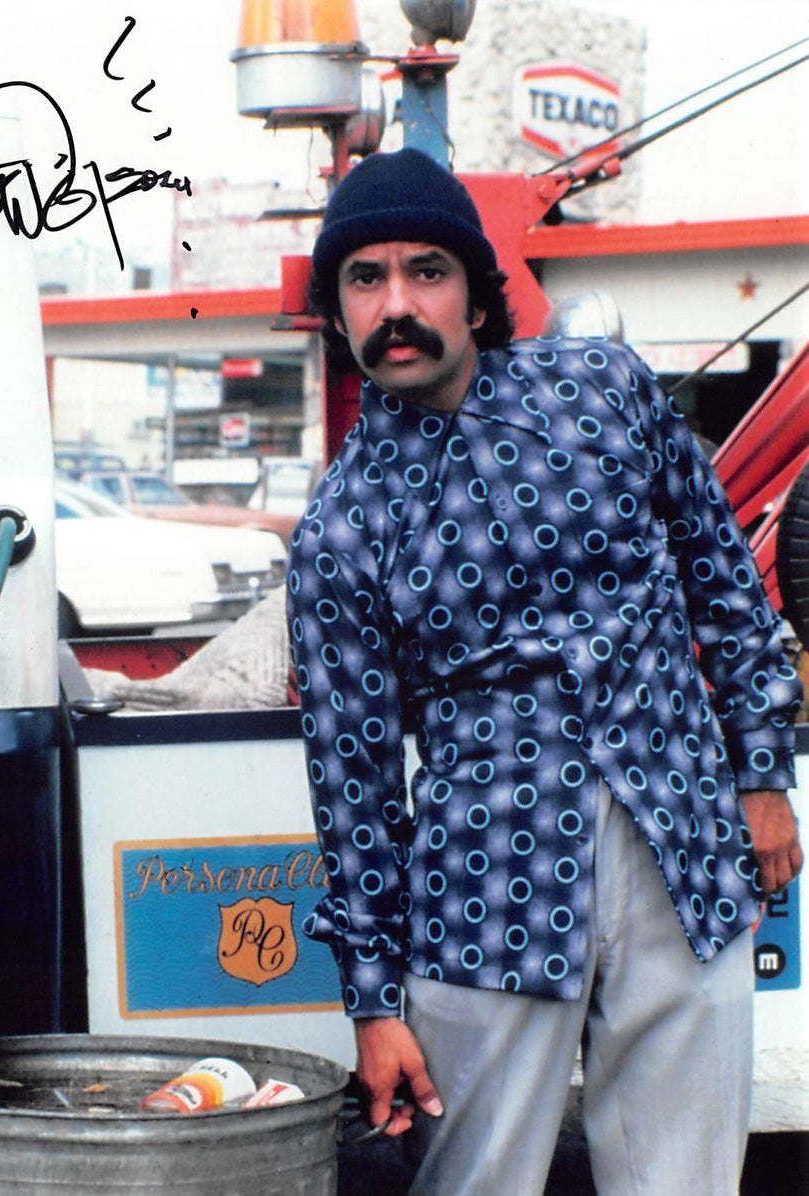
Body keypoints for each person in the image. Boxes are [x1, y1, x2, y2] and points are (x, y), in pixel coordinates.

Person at [288, 147, 803, 1195]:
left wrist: (763, 776)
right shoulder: (339, 531)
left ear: (477, 295)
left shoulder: (603, 391)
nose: (397, 304)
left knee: (687, 1179)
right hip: (485, 890)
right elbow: (354, 787)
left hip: (682, 849)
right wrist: (374, 1004)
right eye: (365, 278)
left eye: (427, 271)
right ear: (337, 311)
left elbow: (722, 578)